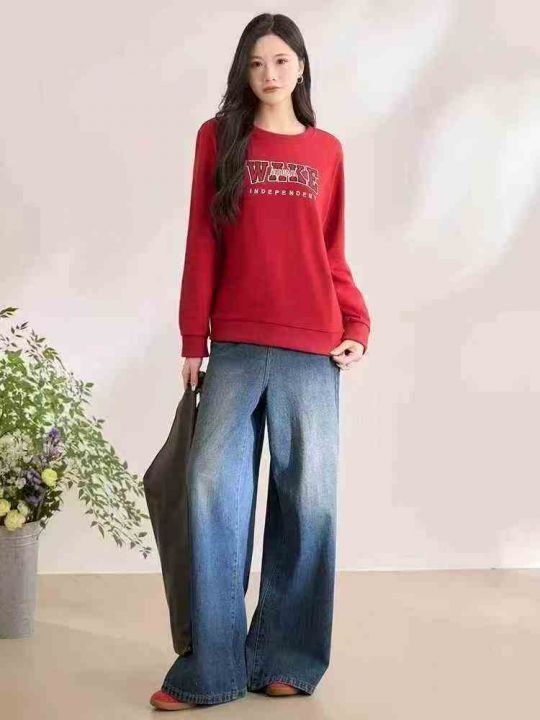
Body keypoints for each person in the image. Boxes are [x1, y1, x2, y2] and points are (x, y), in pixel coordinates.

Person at [149, 11, 371, 712]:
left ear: (300, 66)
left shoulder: (327, 150)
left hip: (313, 348)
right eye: (255, 62)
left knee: (308, 504)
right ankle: (210, 669)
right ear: (243, 71)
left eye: (279, 60)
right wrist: (193, 338)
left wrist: (358, 323)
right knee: (211, 494)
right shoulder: (218, 138)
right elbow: (201, 239)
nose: (268, 73)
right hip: (237, 346)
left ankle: (286, 658)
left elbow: (330, 251)